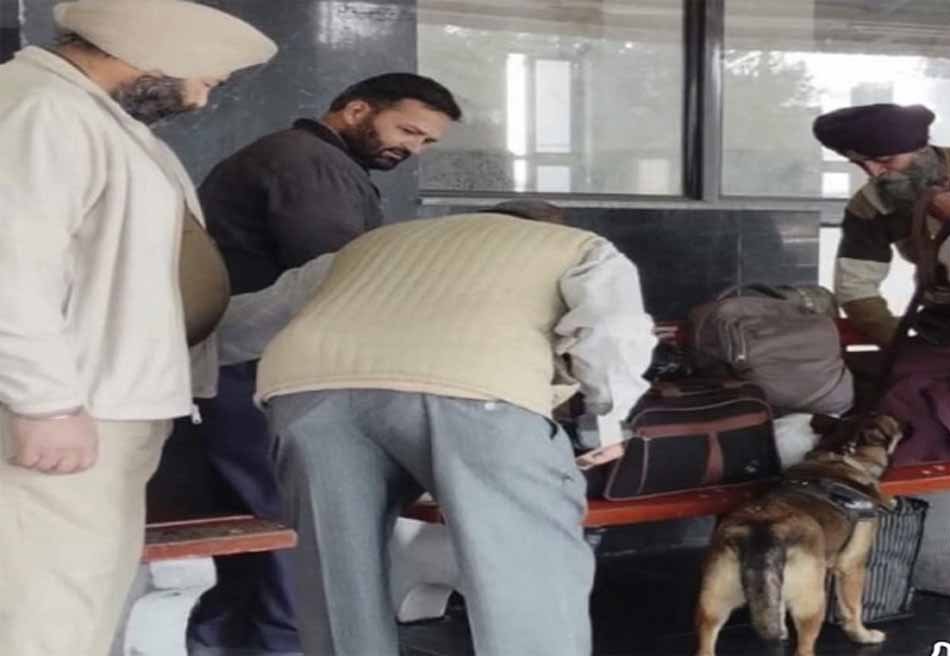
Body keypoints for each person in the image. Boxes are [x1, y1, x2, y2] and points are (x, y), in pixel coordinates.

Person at [215, 201, 656, 656]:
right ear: (549, 226)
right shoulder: (579, 247)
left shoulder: (368, 247)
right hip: (474, 389)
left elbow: (246, 321)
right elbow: (614, 331)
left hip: (308, 392)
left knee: (337, 572)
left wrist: (178, 376)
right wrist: (604, 421)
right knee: (526, 566)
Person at [0, 1, 276, 656]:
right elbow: (10, 266)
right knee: (47, 607)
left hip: (98, 406)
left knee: (78, 595)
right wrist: (45, 404)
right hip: (68, 409)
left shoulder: (89, 114)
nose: (202, 100)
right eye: (206, 79)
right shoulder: (43, 109)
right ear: (159, 53)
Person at [188, 74, 461, 654]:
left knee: (256, 530)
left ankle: (226, 645)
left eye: (426, 142)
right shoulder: (310, 164)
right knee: (297, 526)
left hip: (241, 364)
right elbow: (345, 276)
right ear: (357, 110)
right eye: (407, 130)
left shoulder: (298, 157)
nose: (413, 148)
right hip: (263, 369)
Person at [812, 102, 950, 344]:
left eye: (886, 160)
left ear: (921, 149)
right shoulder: (870, 204)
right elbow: (855, 286)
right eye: (860, 163)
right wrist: (897, 342)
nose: (874, 173)